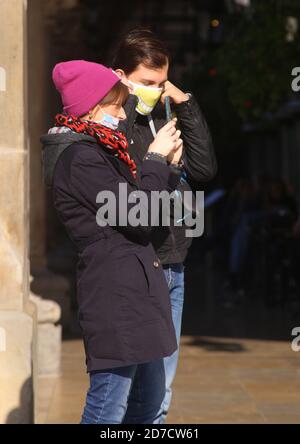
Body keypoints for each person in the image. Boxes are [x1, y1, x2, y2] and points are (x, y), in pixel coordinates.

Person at [41, 60, 184, 424]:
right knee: (108, 408)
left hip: (137, 292)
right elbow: (138, 216)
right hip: (116, 296)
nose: (122, 116)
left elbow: (144, 210)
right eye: (117, 105)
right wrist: (153, 158)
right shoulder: (79, 157)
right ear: (92, 108)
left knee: (147, 405)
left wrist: (166, 169)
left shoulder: (101, 149)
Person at [112, 28, 217, 423]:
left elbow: (204, 169)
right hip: (138, 266)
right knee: (127, 393)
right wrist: (159, 160)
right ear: (120, 75)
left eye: (161, 82)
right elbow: (122, 196)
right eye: (146, 83)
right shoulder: (113, 120)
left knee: (159, 396)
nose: (154, 90)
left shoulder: (166, 114)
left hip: (174, 264)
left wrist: (184, 103)